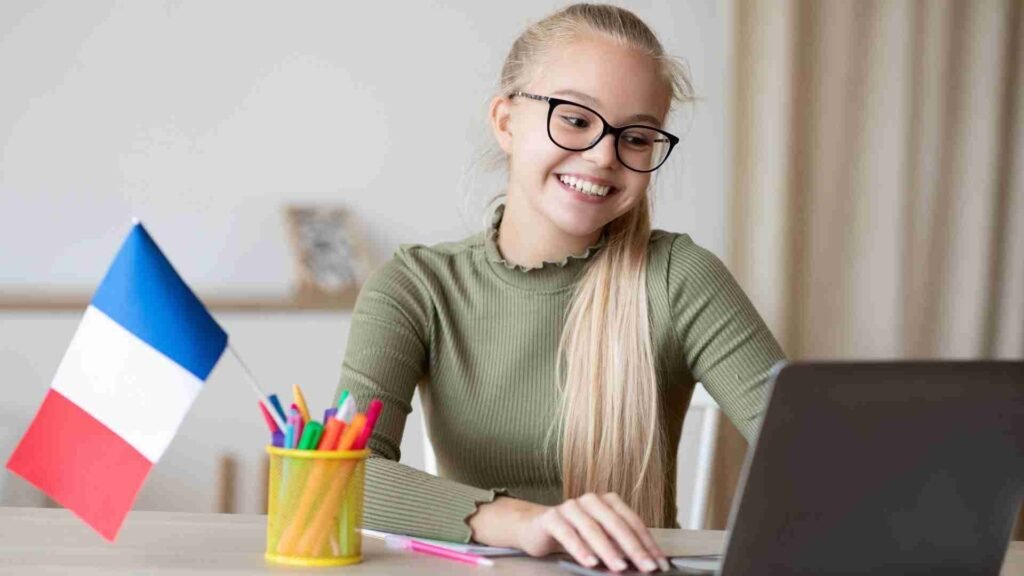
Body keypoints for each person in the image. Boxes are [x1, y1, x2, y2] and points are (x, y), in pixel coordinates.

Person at [334, 3, 786, 573]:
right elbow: (341, 474)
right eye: (575, 120)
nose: (603, 157)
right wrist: (527, 523)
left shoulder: (680, 277)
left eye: (638, 137)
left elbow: (809, 453)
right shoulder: (417, 287)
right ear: (505, 122)